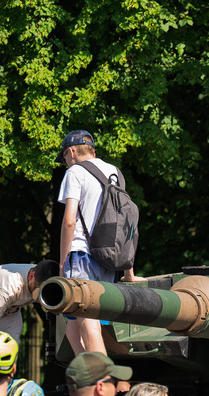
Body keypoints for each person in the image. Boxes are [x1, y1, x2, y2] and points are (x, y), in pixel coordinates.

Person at [56, 129, 141, 356]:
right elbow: (125, 227)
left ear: (72, 152)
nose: (65, 162)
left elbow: (69, 221)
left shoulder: (75, 172)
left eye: (64, 157)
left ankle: (100, 378)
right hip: (108, 258)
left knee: (86, 319)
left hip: (82, 254)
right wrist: (128, 272)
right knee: (75, 317)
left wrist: (63, 262)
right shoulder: (115, 173)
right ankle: (84, 370)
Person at [0, 260, 59, 395]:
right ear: (31, 277)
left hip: (11, 309)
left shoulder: (46, 279)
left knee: (8, 362)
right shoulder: (10, 285)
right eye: (39, 290)